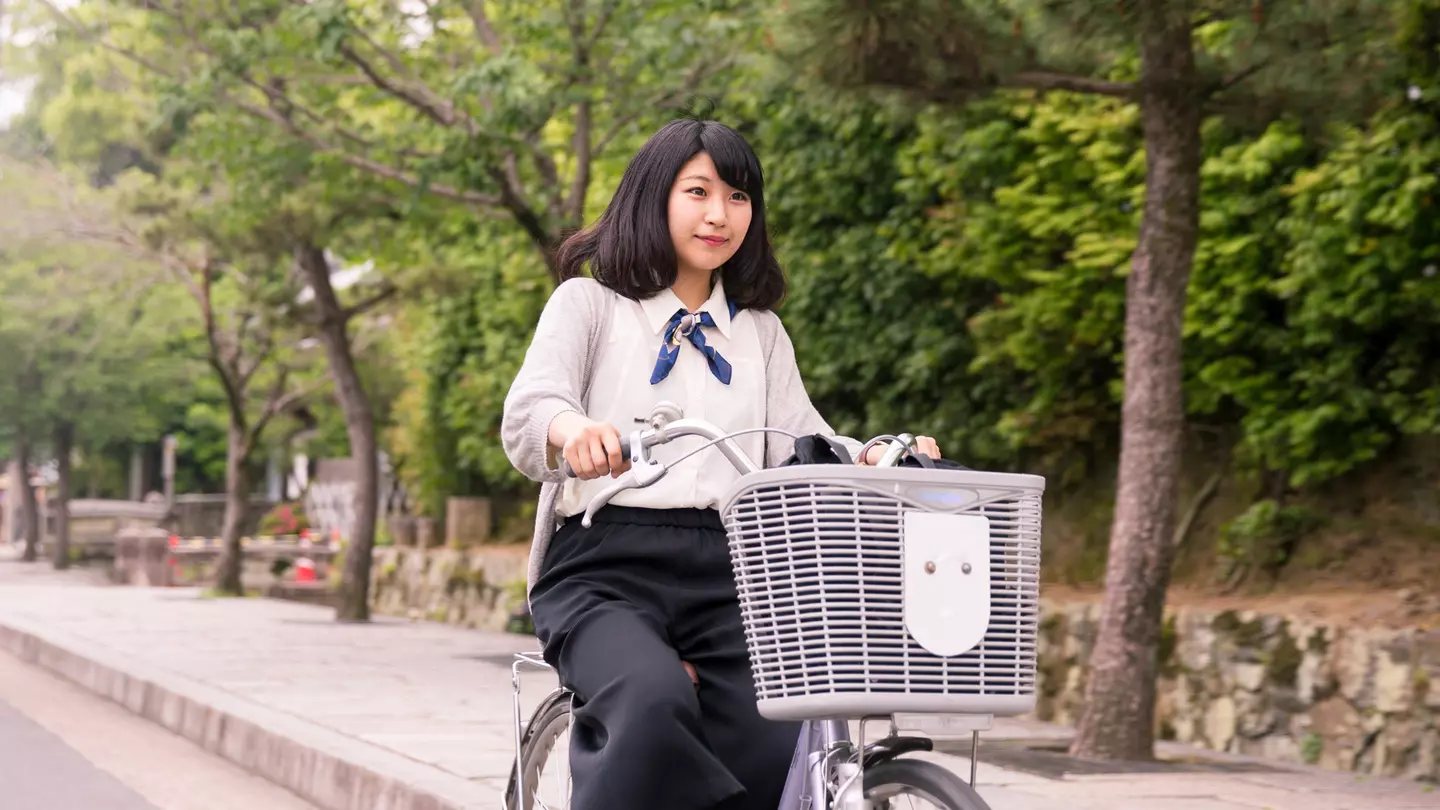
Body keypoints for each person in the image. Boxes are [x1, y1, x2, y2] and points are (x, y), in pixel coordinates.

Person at [502, 118, 940, 810]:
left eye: (739, 197)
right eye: (698, 191)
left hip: (731, 570)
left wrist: (880, 452)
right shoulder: (588, 305)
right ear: (654, 198)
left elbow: (803, 439)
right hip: (604, 564)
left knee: (780, 727)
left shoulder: (759, 333)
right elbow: (533, 407)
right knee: (649, 701)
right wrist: (575, 429)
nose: (719, 214)